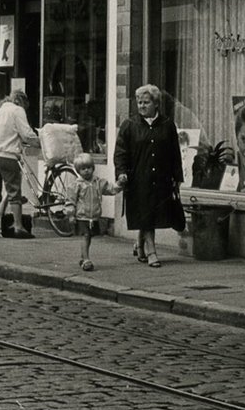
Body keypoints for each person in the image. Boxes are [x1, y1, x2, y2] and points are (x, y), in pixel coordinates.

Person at [114, 84, 185, 268]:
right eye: (139, 102)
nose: (142, 106)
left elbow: (174, 153)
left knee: (149, 214)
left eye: (146, 102)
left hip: (161, 178)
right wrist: (121, 173)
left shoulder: (167, 125)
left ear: (156, 104)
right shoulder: (129, 125)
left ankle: (139, 244)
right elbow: (120, 152)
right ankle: (152, 252)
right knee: (145, 213)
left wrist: (177, 178)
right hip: (138, 178)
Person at [0, 91, 39, 239]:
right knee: (14, 192)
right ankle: (18, 226)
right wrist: (40, 142)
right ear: (20, 101)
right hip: (6, 155)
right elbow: (26, 134)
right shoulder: (17, 110)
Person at [69, 152, 121, 271]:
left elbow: (110, 189)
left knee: (89, 237)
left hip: (94, 217)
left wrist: (119, 185)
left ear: (93, 168)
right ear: (78, 171)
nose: (86, 171)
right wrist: (71, 214)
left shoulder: (98, 182)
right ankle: (87, 259)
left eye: (89, 168)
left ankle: (83, 257)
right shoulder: (77, 185)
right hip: (82, 216)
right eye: (83, 169)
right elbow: (70, 200)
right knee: (85, 236)